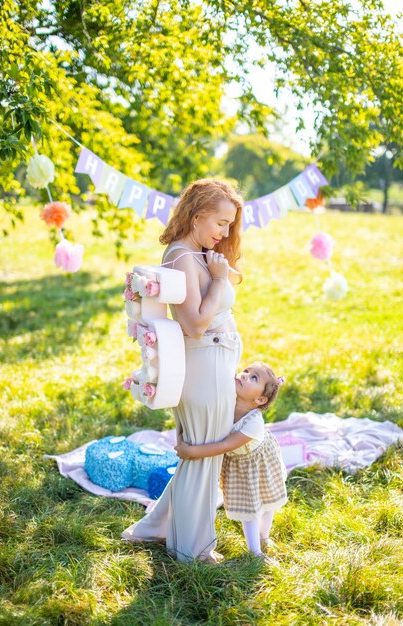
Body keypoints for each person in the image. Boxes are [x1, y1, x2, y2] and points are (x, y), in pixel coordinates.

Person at [122, 179, 244, 563]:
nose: (225, 233)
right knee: (202, 455)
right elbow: (193, 324)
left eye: (229, 225)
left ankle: (155, 527)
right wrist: (220, 280)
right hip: (202, 364)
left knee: (205, 453)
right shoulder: (182, 257)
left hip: (216, 362)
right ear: (196, 216)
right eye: (221, 223)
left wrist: (222, 274)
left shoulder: (196, 255)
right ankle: (192, 549)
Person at [175, 362, 287, 560]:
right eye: (246, 371)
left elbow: (225, 445)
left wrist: (191, 451)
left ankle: (261, 543)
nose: (244, 375)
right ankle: (256, 550)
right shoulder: (225, 400)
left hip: (259, 460)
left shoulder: (253, 423)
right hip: (238, 465)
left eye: (254, 378)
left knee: (268, 502)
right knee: (249, 509)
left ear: (260, 399)